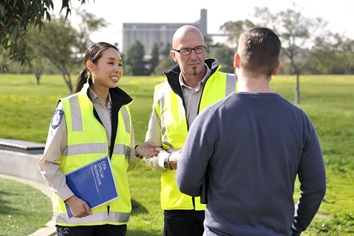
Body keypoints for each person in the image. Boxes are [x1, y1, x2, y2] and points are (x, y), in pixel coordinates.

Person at [175, 27, 327, 236]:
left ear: (236, 61)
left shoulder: (211, 117)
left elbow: (186, 182)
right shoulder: (299, 120)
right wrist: (295, 227)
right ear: (276, 68)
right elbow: (315, 188)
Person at [38, 42, 158, 236]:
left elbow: (122, 163)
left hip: (114, 221)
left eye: (120, 64)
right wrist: (70, 199)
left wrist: (136, 152)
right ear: (91, 66)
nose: (117, 69)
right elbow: (47, 163)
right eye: (110, 63)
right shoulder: (68, 108)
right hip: (77, 219)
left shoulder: (123, 110)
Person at [143, 25, 236, 236]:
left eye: (199, 49)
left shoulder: (232, 85)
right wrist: (168, 160)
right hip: (177, 206)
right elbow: (151, 149)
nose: (194, 56)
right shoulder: (161, 93)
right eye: (186, 50)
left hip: (222, 202)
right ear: (174, 56)